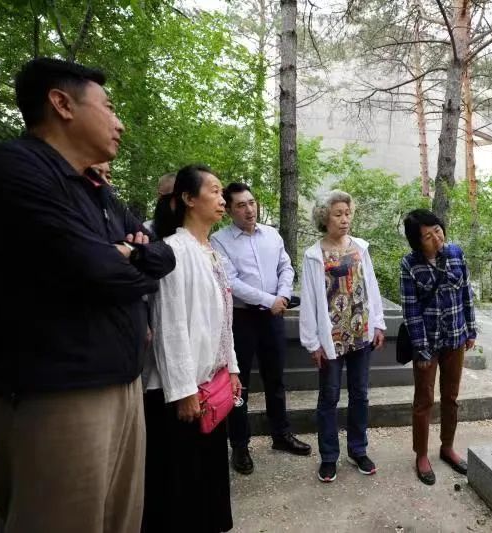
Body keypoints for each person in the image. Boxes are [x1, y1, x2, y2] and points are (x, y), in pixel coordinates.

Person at [0, 57, 175, 532]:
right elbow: (94, 269)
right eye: (108, 107)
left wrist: (127, 255)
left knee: (120, 523)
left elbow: (161, 257)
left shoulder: (93, 188)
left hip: (121, 383)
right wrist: (124, 257)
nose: (119, 122)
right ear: (62, 104)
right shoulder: (10, 169)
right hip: (57, 394)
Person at [142, 164, 241, 533]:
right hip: (181, 394)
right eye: (213, 191)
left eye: (221, 192)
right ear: (187, 199)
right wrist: (183, 392)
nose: (222, 199)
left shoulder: (209, 250)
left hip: (210, 389)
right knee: (178, 486)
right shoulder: (173, 251)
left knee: (208, 479)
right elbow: (170, 326)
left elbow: (222, 316)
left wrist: (230, 367)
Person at [211, 182, 311, 475]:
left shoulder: (272, 234)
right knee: (238, 385)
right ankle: (240, 446)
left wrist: (280, 296)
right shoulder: (219, 241)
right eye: (241, 205)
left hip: (272, 318)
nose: (249, 209)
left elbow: (286, 266)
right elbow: (230, 282)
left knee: (276, 377)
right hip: (241, 319)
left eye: (251, 203)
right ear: (229, 210)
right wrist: (270, 300)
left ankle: (281, 434)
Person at [299, 190, 386, 483]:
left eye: (347, 213)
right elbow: (310, 301)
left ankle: (358, 450)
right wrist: (312, 342)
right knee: (329, 397)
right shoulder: (313, 255)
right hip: (331, 338)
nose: (345, 219)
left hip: (360, 332)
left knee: (360, 395)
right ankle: (328, 456)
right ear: (325, 217)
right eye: (338, 214)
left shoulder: (360, 247)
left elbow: (370, 286)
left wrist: (378, 323)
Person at [399, 209, 477, 486]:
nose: (436, 237)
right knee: (423, 401)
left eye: (437, 229)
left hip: (456, 338)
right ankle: (421, 454)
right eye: (427, 235)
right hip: (427, 344)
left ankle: (447, 448)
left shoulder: (456, 253)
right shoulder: (410, 265)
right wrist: (420, 350)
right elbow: (411, 311)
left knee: (451, 398)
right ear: (417, 242)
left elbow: (466, 293)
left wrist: (471, 329)